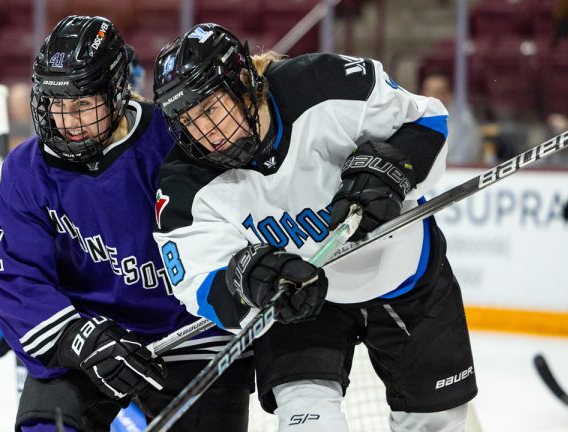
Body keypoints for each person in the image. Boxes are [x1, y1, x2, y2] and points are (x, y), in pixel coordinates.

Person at [152, 23, 477, 431]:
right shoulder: (185, 181)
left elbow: (427, 123)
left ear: (243, 86)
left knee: (437, 423)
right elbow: (198, 281)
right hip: (300, 305)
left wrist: (389, 169)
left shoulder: (324, 83)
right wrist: (251, 278)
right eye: (189, 119)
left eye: (211, 109)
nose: (205, 133)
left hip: (405, 277)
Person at [0, 16, 253, 432]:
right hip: (88, 335)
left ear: (114, 92)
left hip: (192, 335)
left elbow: (233, 230)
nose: (68, 123)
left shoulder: (174, 140)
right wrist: (77, 337)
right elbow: (16, 277)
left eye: (81, 105)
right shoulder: (26, 171)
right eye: (58, 106)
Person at [420, 72, 481, 165]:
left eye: (440, 92)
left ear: (449, 94)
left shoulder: (463, 119)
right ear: (423, 93)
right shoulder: (413, 117)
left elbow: (465, 158)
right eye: (431, 92)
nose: (434, 97)